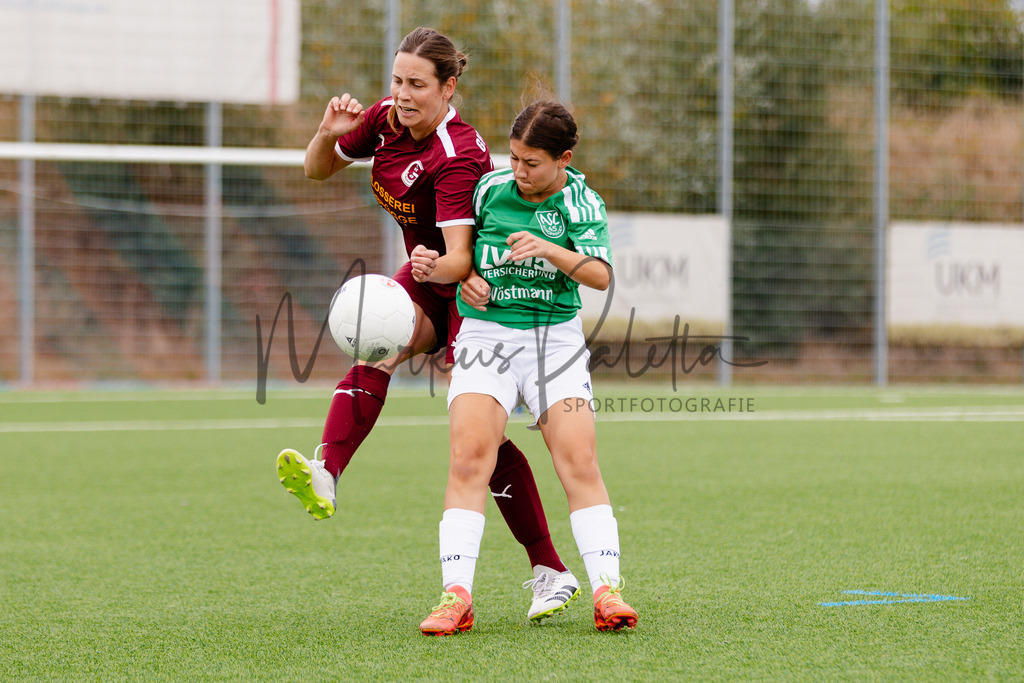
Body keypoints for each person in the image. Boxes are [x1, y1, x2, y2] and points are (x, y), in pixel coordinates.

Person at [274, 27, 580, 622]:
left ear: (448, 88)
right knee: (374, 343)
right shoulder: (387, 119)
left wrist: (443, 267)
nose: (403, 94)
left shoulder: (457, 153)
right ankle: (327, 472)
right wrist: (326, 134)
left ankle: (550, 569)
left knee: (480, 440)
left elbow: (462, 254)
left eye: (417, 83)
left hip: (476, 284)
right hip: (427, 275)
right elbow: (315, 171)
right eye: (397, 80)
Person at [418, 101, 638, 636]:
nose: (519, 170)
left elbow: (602, 277)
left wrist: (549, 249)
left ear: (564, 158)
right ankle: (456, 597)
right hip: (485, 335)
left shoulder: (581, 202)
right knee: (470, 459)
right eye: (514, 157)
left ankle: (607, 591)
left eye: (532, 162)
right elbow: (461, 255)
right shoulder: (491, 189)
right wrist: (456, 279)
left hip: (554, 341)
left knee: (579, 461)